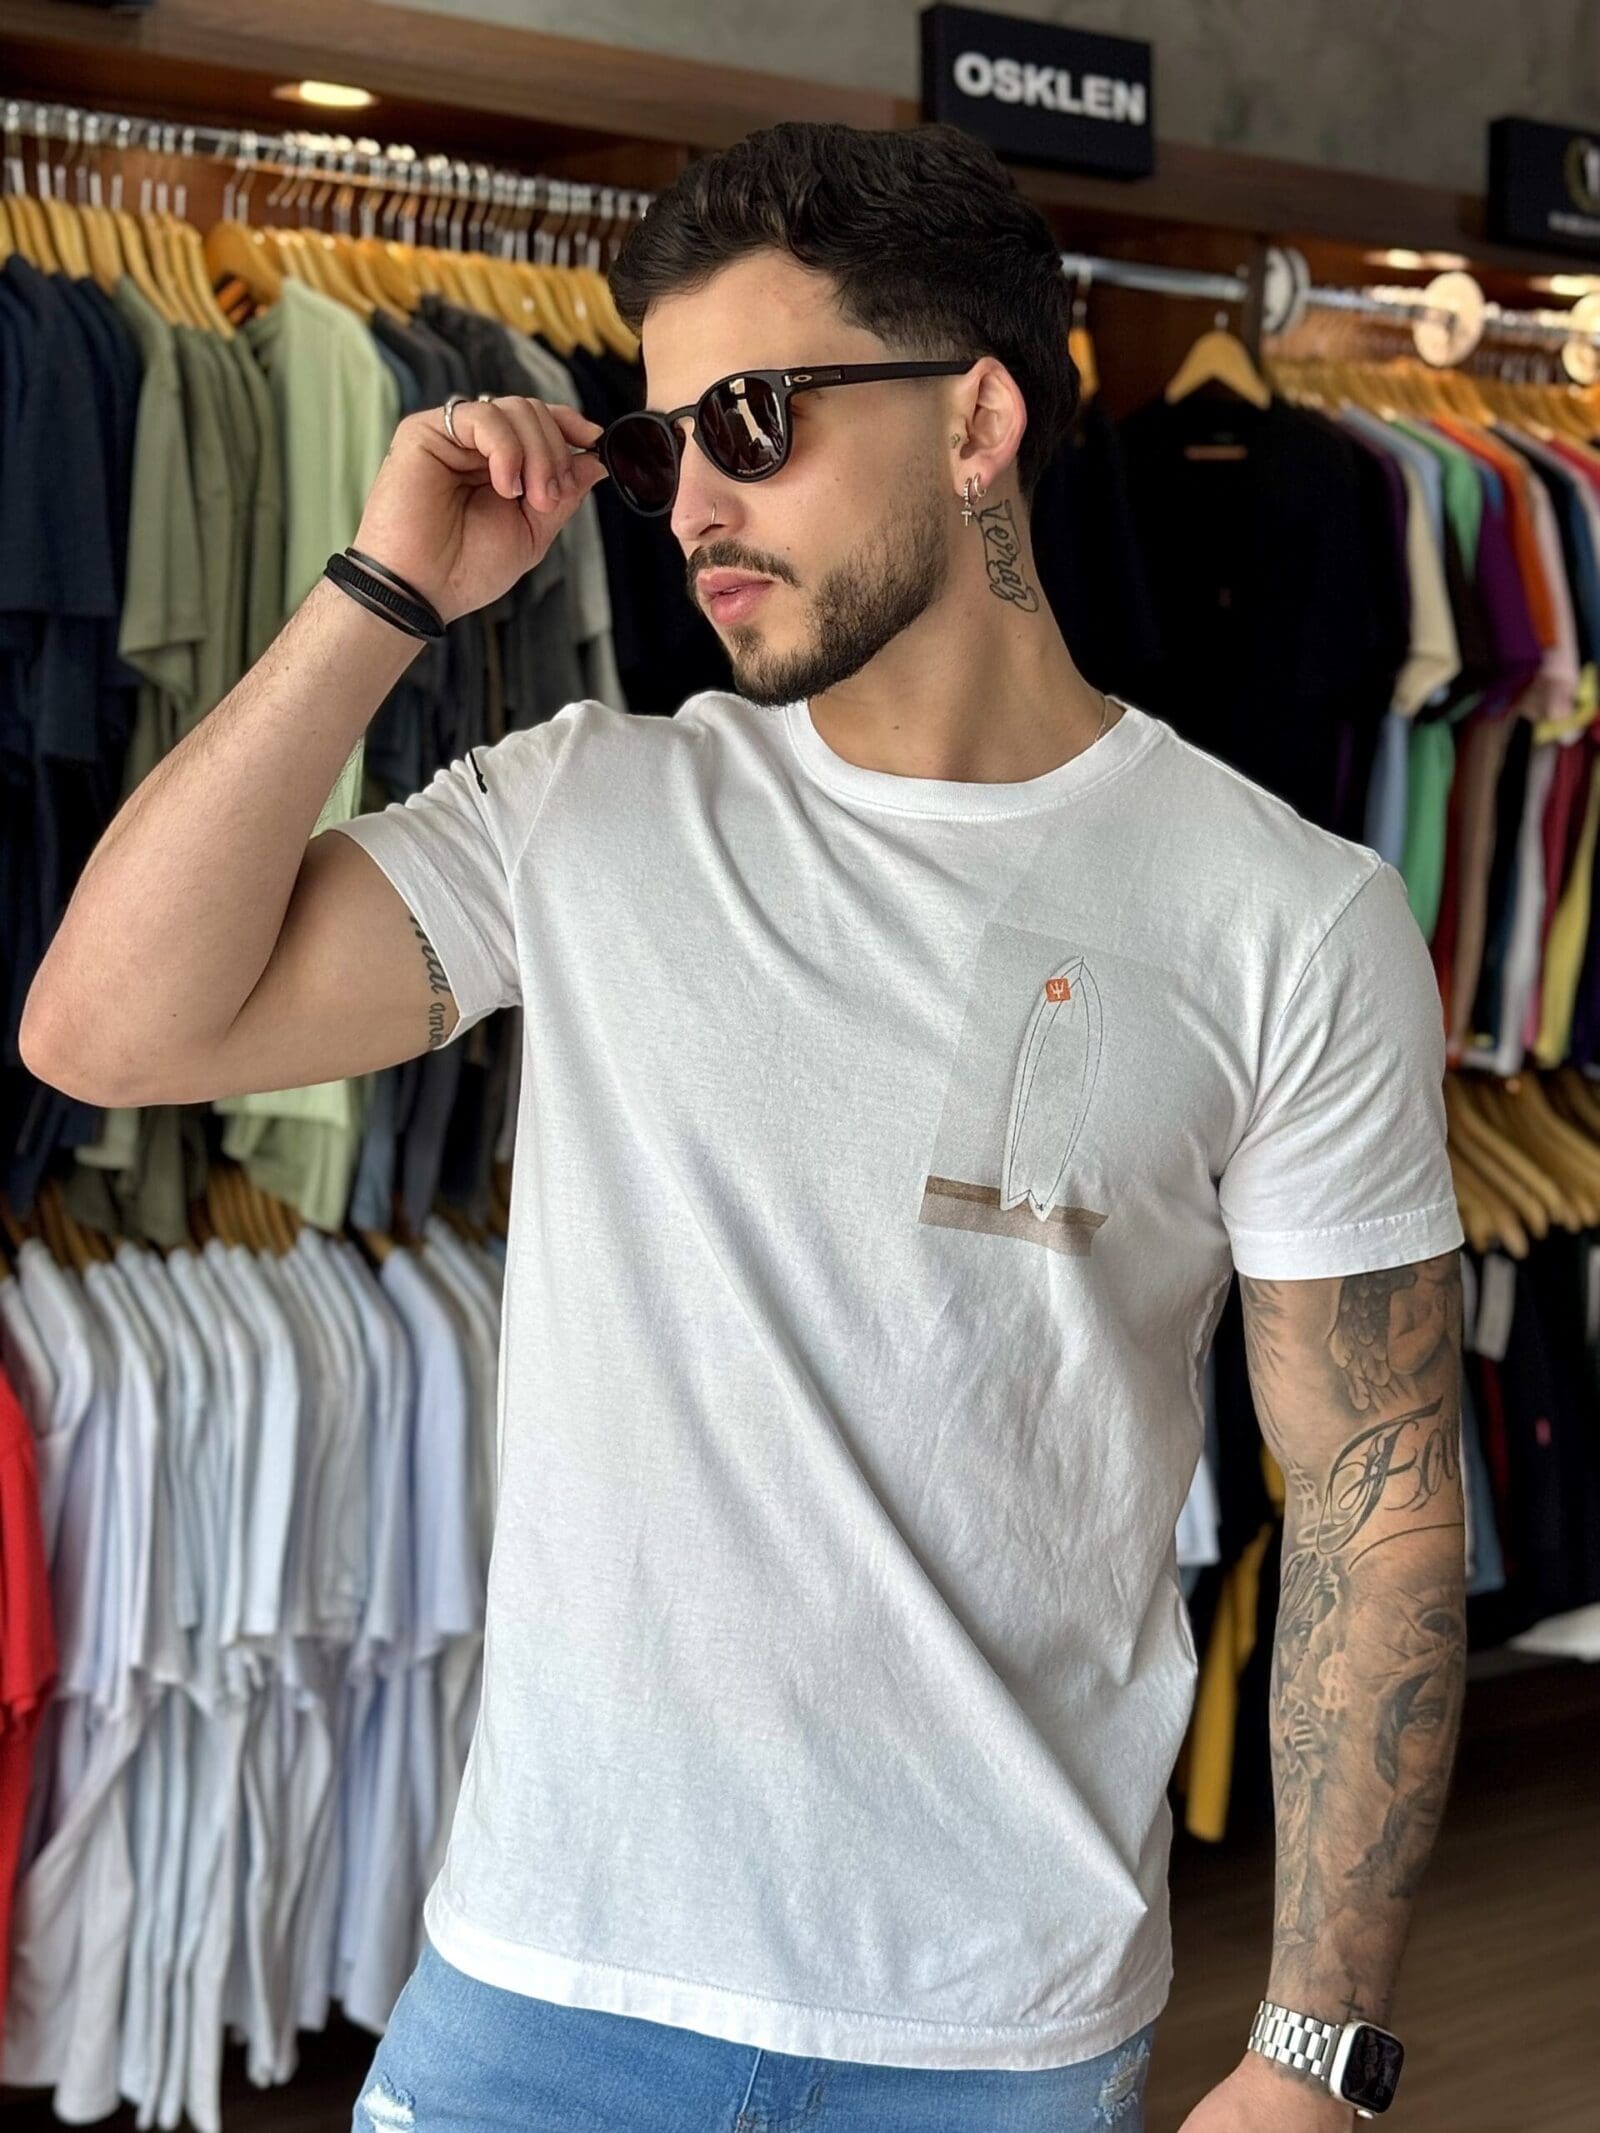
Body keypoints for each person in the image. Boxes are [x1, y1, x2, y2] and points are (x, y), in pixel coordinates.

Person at [21, 120, 1466, 2133]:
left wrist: (1316, 2044)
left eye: (753, 422)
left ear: (977, 422)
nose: (692, 500)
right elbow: (103, 1027)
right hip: (538, 2000)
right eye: (657, 446)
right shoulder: (586, 807)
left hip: (993, 2035)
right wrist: (383, 593)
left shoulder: (1283, 915)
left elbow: (1380, 1490)